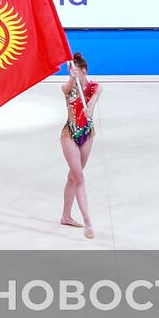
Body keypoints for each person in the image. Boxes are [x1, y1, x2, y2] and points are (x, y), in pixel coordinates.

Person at [59, 53, 100, 239]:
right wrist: (72, 78)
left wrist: (89, 108)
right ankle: (88, 221)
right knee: (79, 177)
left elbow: (91, 106)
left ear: (84, 70)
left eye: (77, 72)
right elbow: (66, 88)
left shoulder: (95, 87)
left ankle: (66, 216)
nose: (74, 75)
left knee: (73, 177)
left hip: (87, 134)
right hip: (70, 135)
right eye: (70, 72)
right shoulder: (67, 87)